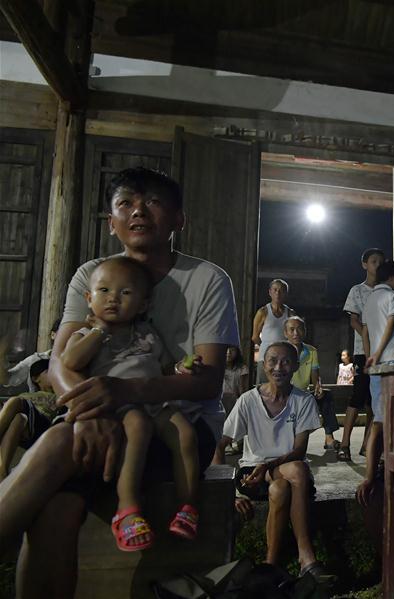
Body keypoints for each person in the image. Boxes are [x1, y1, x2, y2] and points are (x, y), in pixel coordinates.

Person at [0, 167, 239, 598]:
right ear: (111, 222)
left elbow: (206, 383)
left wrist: (123, 392)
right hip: (95, 419)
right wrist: (88, 412)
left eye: (153, 202)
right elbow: (59, 364)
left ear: (178, 220)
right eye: (126, 203)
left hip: (176, 428)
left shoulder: (207, 280)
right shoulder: (92, 275)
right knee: (56, 508)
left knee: (59, 444)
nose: (138, 211)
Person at [60, 256, 204, 551]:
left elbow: (165, 368)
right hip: (119, 407)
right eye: (103, 291)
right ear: (88, 299)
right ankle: (127, 509)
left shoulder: (147, 334)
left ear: (142, 305)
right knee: (138, 427)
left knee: (185, 433)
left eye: (125, 293)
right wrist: (100, 330)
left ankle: (188, 507)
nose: (113, 298)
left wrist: (182, 368)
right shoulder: (86, 334)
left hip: (154, 401)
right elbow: (70, 361)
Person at [213, 342, 328, 581]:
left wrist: (268, 465)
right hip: (251, 474)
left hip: (284, 471)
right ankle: (306, 555)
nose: (278, 367)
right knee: (297, 471)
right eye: (272, 361)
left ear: (296, 366)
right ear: (263, 365)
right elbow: (219, 445)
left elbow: (299, 450)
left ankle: (269, 565)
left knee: (281, 487)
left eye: (286, 362)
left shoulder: (303, 400)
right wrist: (228, 495)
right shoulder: (248, 401)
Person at [356, 260, 394, 506]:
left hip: (375, 365)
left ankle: (373, 471)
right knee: (388, 420)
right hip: (392, 361)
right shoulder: (393, 296)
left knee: (379, 418)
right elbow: (391, 325)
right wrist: (380, 352)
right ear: (393, 278)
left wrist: (370, 357)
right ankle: (382, 471)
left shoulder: (369, 300)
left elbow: (365, 333)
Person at [337, 248, 384, 461]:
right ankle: (344, 444)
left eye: (380, 262)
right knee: (358, 395)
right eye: (373, 261)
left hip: (382, 351)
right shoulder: (357, 290)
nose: (377, 265)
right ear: (365, 264)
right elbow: (353, 320)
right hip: (362, 352)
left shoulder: (386, 291)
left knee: (375, 399)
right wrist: (368, 335)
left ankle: (367, 444)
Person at [284, 316, 340, 450]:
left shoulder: (311, 351)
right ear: (285, 333)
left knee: (326, 396)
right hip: (285, 395)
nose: (296, 333)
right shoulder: (281, 350)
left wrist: (317, 387)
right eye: (291, 330)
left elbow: (315, 375)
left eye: (299, 329)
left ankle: (329, 438)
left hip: (303, 395)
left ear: (304, 331)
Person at [0, 359, 57, 481]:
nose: (54, 374)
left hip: (44, 426)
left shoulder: (59, 394)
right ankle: (2, 470)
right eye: (49, 371)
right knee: (19, 418)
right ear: (36, 378)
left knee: (15, 401)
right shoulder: (28, 395)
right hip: (27, 430)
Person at [251, 279, 297, 384]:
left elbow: (294, 336)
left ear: (286, 293)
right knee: (263, 386)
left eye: (281, 290)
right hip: (265, 357)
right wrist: (268, 347)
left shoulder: (290, 313)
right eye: (275, 290)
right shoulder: (263, 312)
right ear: (270, 292)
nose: (278, 293)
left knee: (282, 385)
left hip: (284, 358)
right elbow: (255, 337)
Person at [4, 318, 61, 392]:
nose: (68, 337)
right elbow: (9, 379)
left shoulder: (75, 360)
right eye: (64, 332)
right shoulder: (35, 359)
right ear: (53, 335)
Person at [222, 345, 249, 415]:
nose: (229, 352)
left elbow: (243, 389)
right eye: (226, 349)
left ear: (237, 352)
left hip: (235, 400)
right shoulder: (218, 366)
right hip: (220, 399)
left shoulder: (242, 368)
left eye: (232, 350)